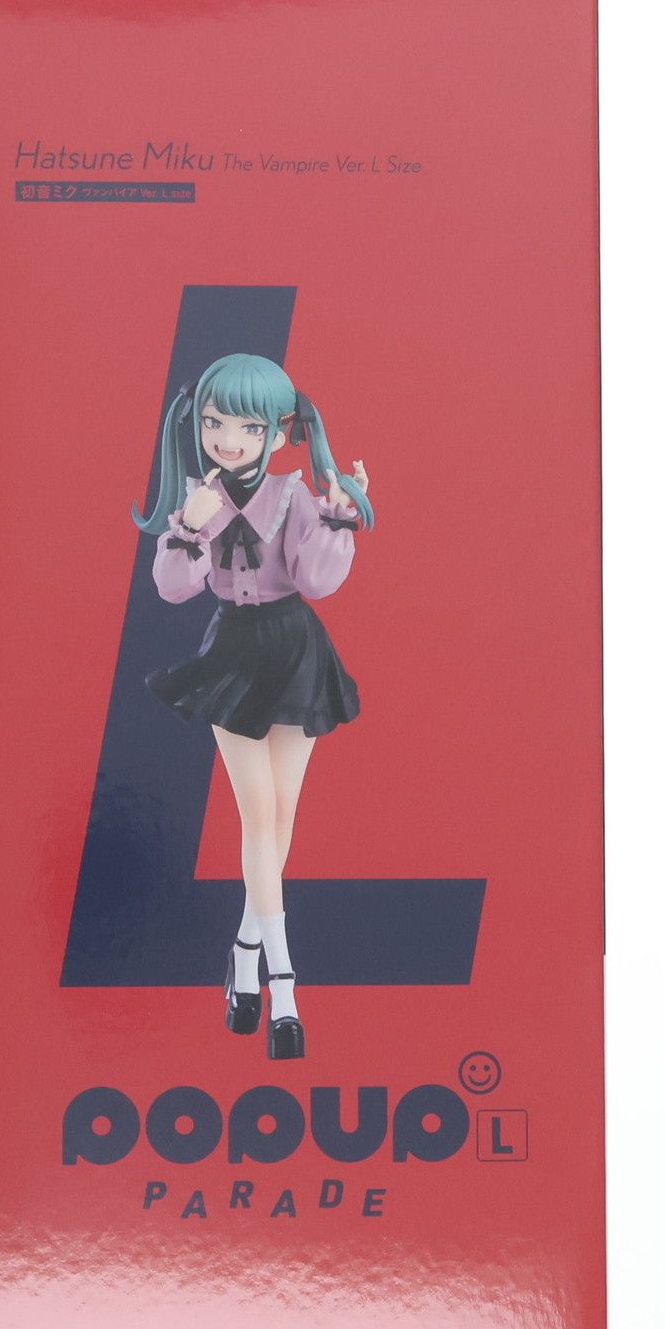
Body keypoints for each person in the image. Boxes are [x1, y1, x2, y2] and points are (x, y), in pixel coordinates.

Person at [133, 353, 375, 1059]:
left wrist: (337, 519)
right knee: (258, 813)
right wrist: (188, 529)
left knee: (281, 815)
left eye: (247, 426)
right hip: (234, 654)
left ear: (278, 429)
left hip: (295, 647)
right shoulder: (199, 500)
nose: (229, 440)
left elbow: (315, 581)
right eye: (214, 423)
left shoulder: (293, 496)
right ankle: (285, 990)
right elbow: (174, 587)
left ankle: (243, 960)